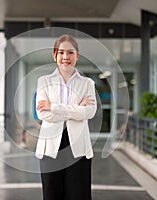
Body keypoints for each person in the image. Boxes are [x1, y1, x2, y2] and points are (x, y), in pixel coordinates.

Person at [35, 34, 97, 200]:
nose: (65, 57)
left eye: (70, 53)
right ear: (55, 55)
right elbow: (43, 113)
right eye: (61, 52)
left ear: (77, 55)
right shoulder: (44, 81)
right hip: (50, 148)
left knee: (79, 195)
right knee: (51, 195)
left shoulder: (87, 83)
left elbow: (89, 112)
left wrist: (54, 107)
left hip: (78, 149)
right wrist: (76, 110)